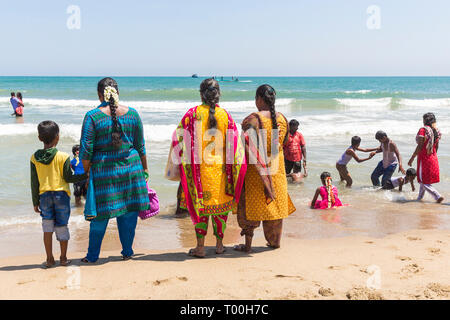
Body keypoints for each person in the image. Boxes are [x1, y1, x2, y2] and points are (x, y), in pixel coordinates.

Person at [173, 78, 246, 258]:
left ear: (201, 94)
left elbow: (178, 138)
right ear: (218, 94)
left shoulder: (191, 114)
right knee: (220, 209)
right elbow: (234, 145)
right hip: (221, 173)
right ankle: (220, 245)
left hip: (200, 173)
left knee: (201, 209)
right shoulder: (226, 116)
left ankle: (200, 247)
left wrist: (178, 164)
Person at [79, 77, 150, 263]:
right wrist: (145, 172)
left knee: (100, 216)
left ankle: (92, 256)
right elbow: (141, 147)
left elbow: (86, 150)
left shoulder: (92, 117)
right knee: (128, 214)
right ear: (117, 92)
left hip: (104, 173)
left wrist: (84, 173)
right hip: (132, 170)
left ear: (99, 94)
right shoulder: (133, 114)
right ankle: (127, 252)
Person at [234, 84, 296, 253]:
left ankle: (247, 246)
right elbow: (283, 143)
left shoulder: (252, 119)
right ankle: (275, 241)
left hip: (257, 172)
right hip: (277, 171)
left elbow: (245, 146)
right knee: (274, 207)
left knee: (250, 206)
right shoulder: (282, 118)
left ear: (259, 99)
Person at [30, 121, 87, 268]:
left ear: (39, 138)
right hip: (61, 196)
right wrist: (84, 175)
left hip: (44, 196)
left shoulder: (34, 157)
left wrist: (35, 201)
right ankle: (63, 258)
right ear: (58, 137)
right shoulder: (63, 156)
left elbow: (34, 182)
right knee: (62, 226)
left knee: (47, 228)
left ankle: (49, 259)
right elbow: (68, 178)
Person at [408, 113, 444, 203]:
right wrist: (433, 157)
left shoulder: (423, 130)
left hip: (423, 158)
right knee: (424, 179)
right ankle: (419, 198)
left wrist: (412, 157)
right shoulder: (437, 131)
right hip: (432, 157)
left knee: (422, 180)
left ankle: (437, 195)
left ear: (424, 120)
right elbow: (436, 147)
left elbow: (420, 146)